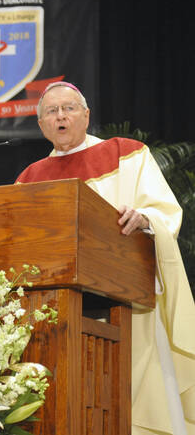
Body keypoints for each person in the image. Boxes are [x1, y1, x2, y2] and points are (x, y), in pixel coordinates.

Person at [16, 81, 195, 435]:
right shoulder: (29, 179)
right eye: (51, 112)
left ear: (86, 115)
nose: (61, 116)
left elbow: (163, 212)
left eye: (68, 108)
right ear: (41, 125)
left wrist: (145, 219)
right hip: (56, 308)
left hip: (127, 303)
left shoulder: (125, 153)